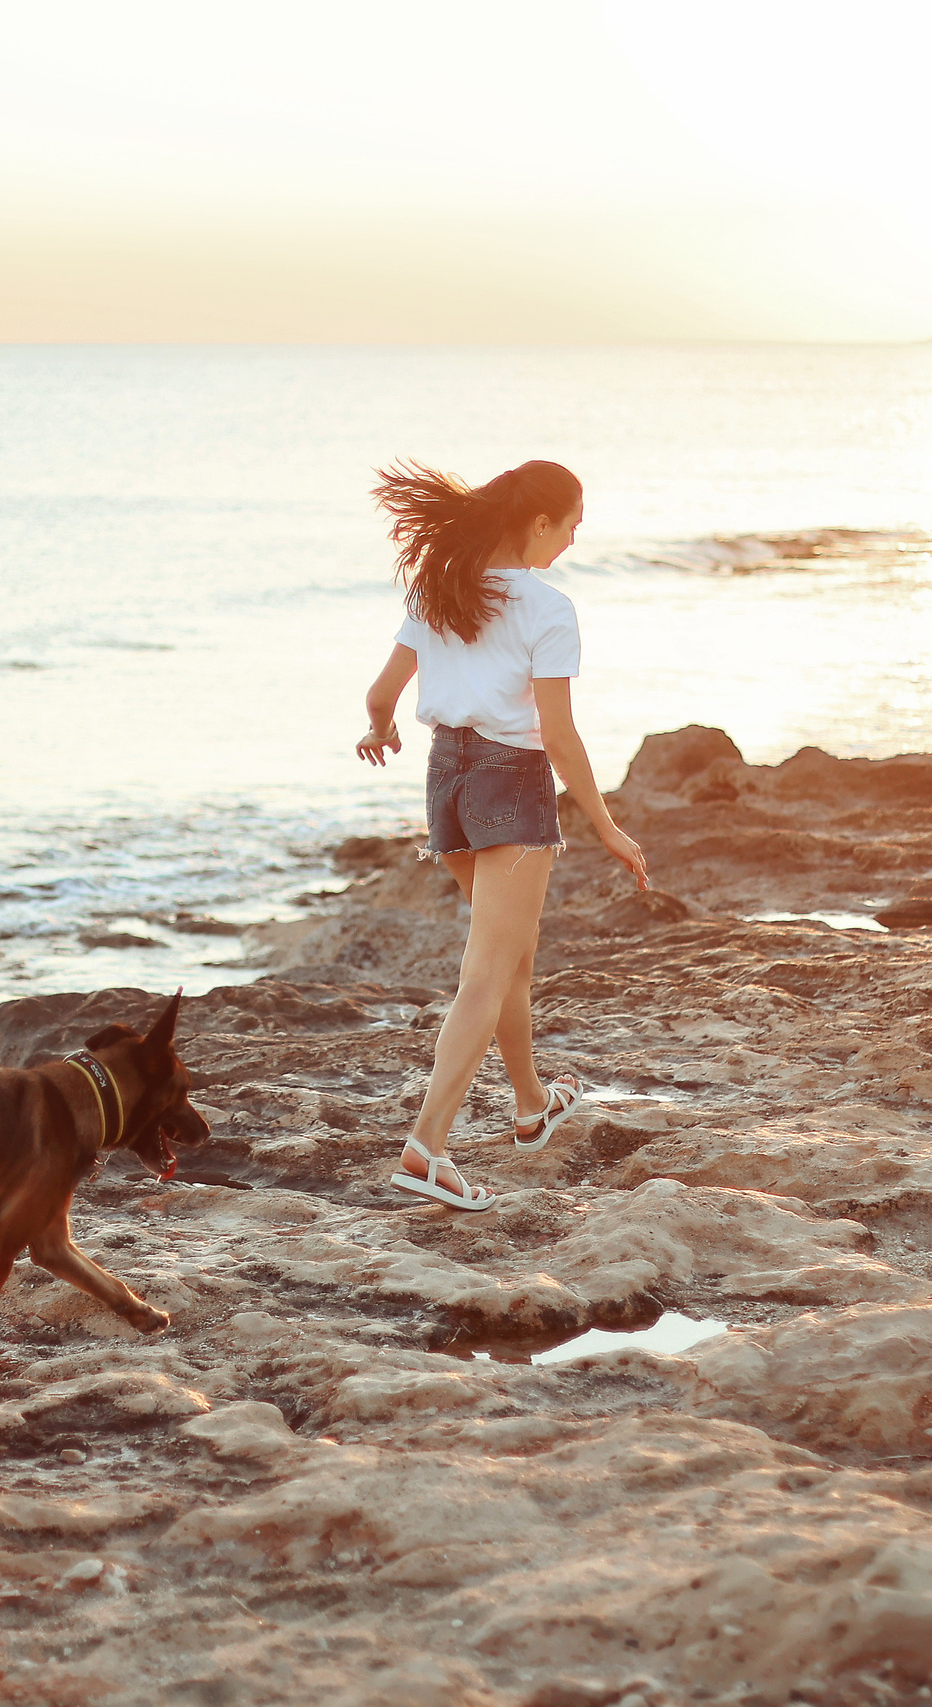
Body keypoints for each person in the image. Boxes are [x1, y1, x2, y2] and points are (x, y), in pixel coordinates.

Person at [356, 459, 649, 1211]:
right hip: (511, 783)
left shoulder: (440, 586)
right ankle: (426, 1148)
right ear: (539, 522)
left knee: (508, 954)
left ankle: (530, 1106)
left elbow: (383, 692)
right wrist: (607, 825)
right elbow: (557, 735)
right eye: (573, 524)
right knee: (486, 971)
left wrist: (379, 730)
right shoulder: (548, 609)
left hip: (446, 781)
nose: (575, 539)